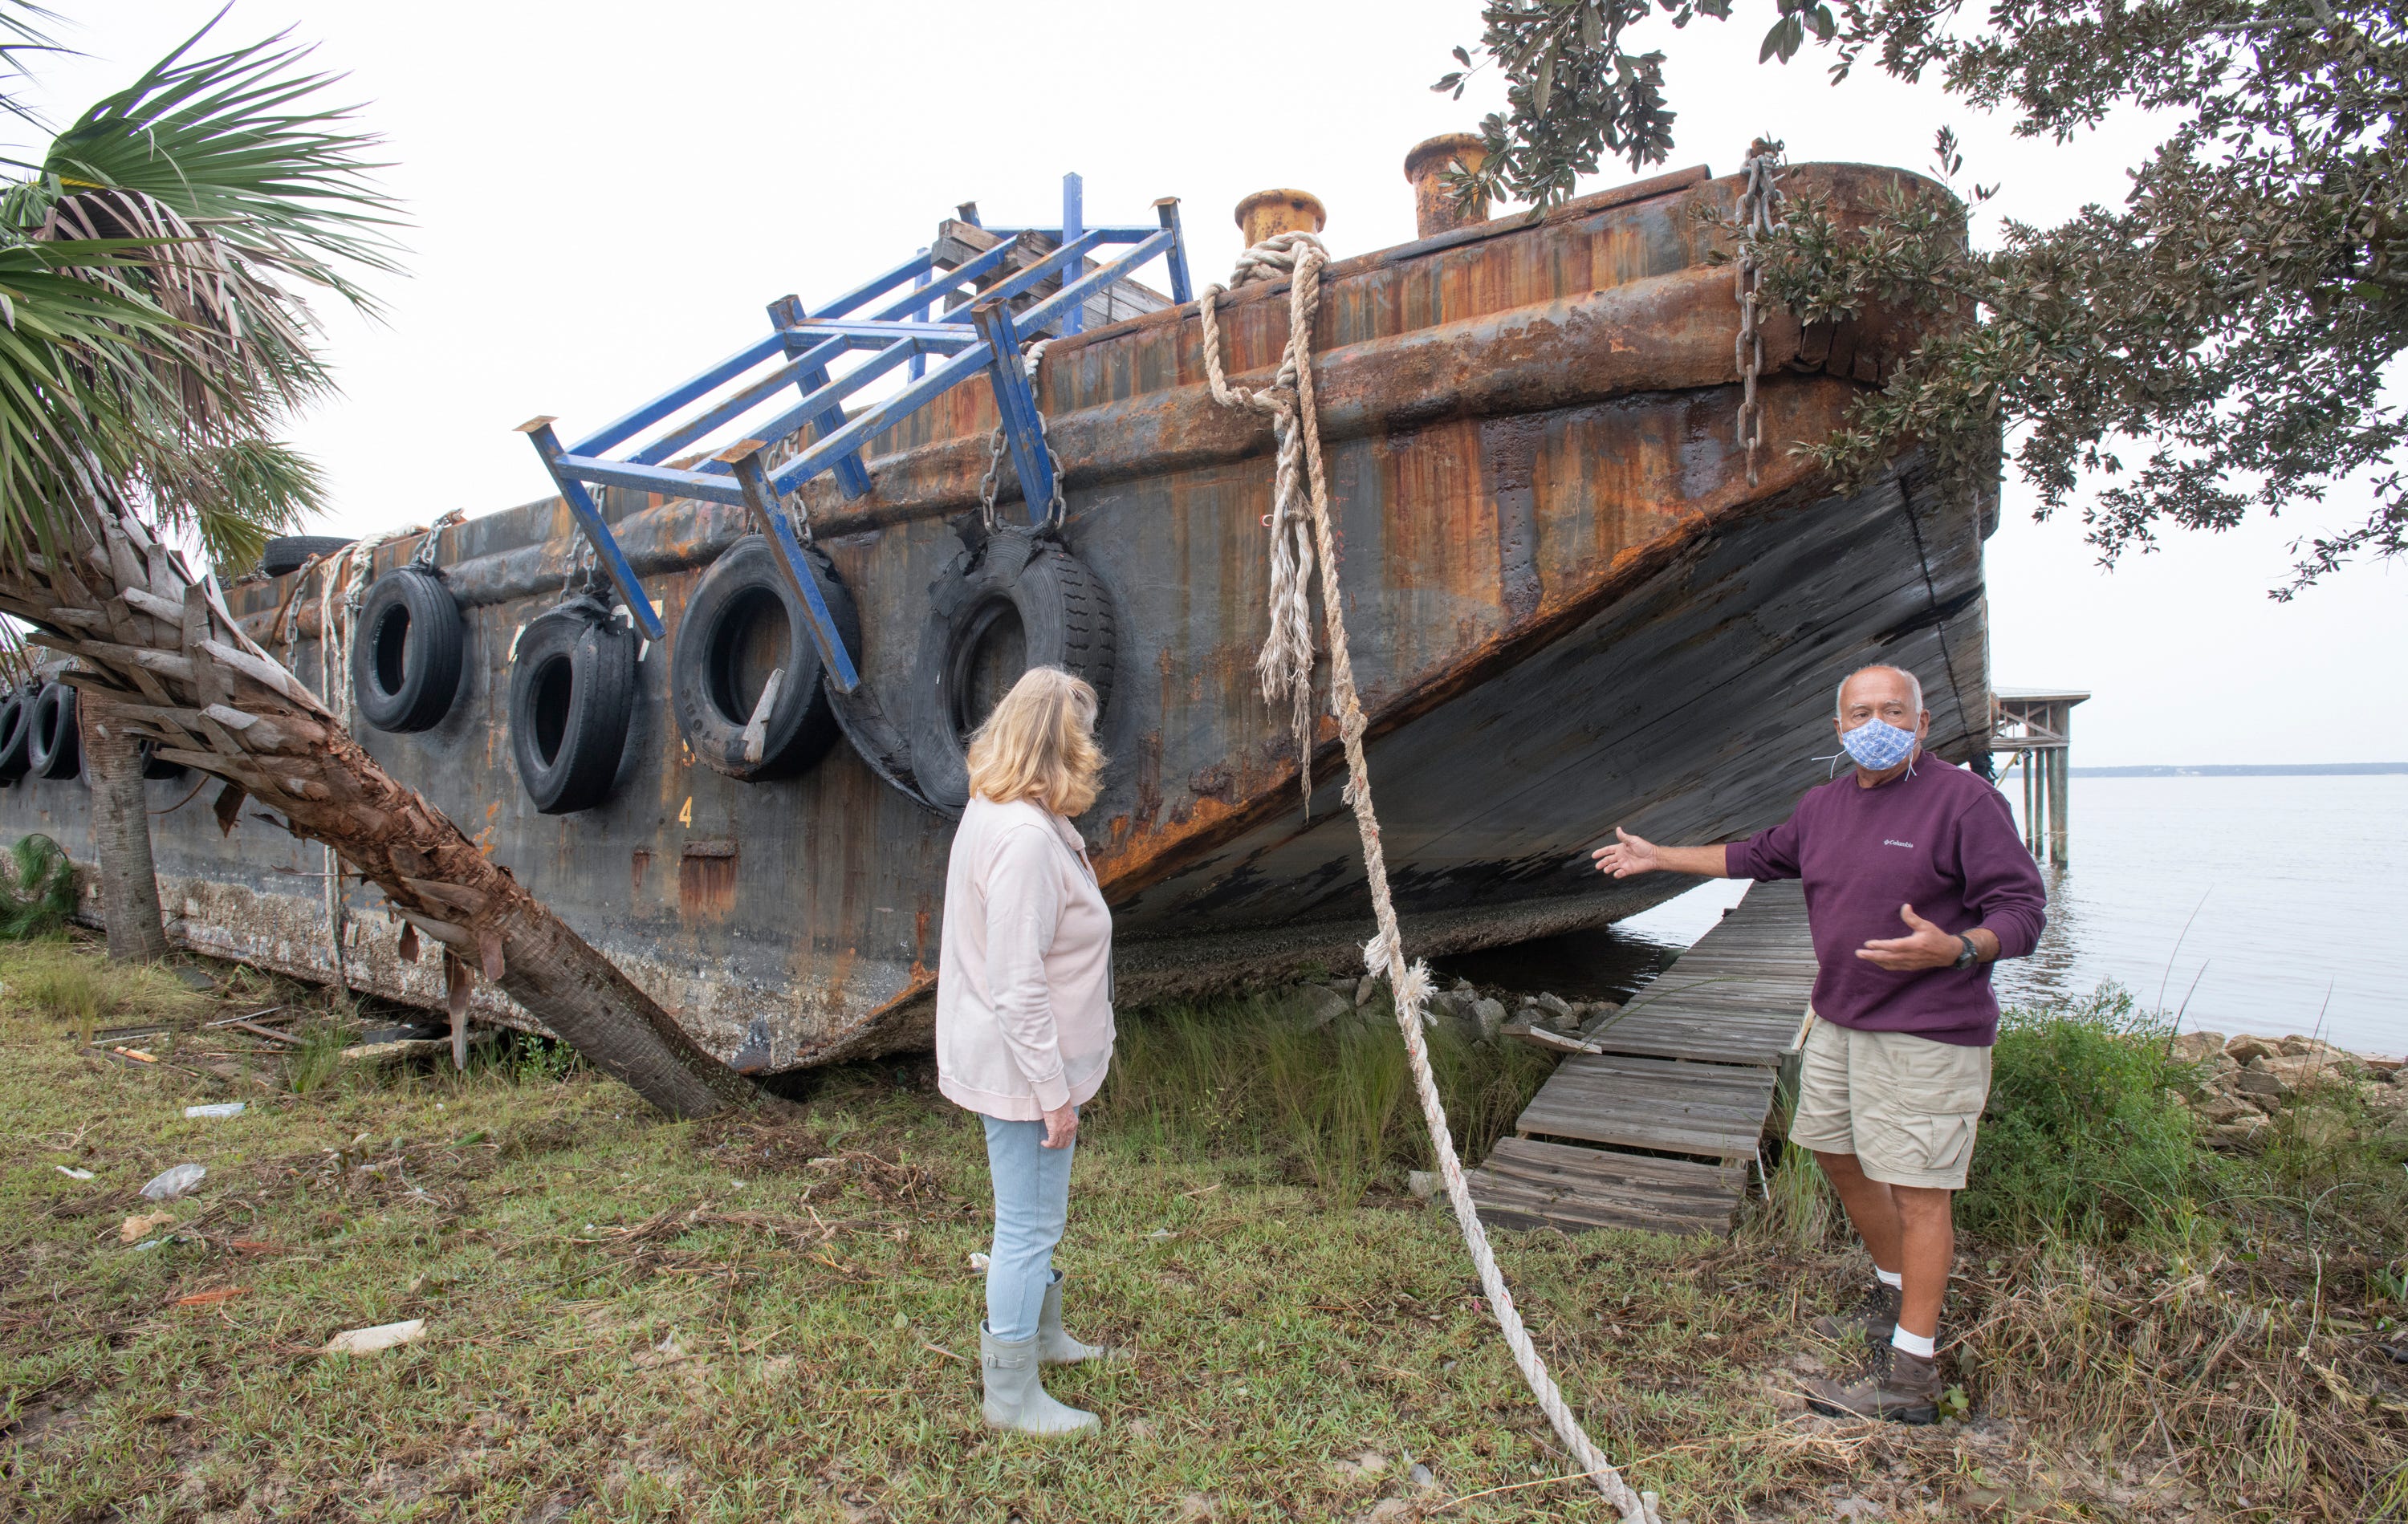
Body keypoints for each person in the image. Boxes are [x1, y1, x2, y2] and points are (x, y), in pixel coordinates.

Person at [1592, 663, 2045, 1423]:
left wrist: (1959, 948)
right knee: (1836, 1152)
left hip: (1928, 1032)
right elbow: (1757, 855)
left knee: (1921, 1190)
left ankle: (1911, 1378)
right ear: (1837, 728)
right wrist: (1661, 857)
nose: (1878, 723)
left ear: (1923, 724)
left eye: (1894, 710)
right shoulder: (1823, 805)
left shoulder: (1965, 801)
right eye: (1861, 712)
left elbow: (2024, 911)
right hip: (1840, 1020)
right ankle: (1895, 1295)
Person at [936, 665, 1121, 1436]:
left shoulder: (999, 809)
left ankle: (1043, 1336)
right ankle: (1010, 1396)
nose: (1092, 747)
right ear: (1059, 743)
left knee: (1037, 1217)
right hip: (1024, 1072)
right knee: (1025, 1227)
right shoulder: (1023, 841)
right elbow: (1016, 982)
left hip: (1022, 1063)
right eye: (1082, 733)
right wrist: (1052, 1090)